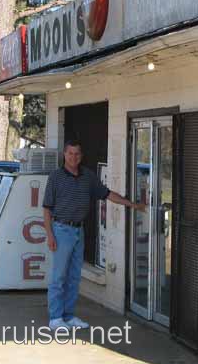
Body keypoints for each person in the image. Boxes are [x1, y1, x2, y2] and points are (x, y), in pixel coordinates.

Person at [43, 140, 145, 330]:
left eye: (77, 154)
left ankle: (69, 316)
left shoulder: (88, 177)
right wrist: (50, 235)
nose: (74, 157)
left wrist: (132, 205)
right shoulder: (55, 177)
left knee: (74, 276)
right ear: (64, 155)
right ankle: (55, 318)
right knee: (59, 277)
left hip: (78, 231)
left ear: (81, 156)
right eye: (70, 154)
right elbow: (47, 208)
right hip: (61, 230)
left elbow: (107, 194)